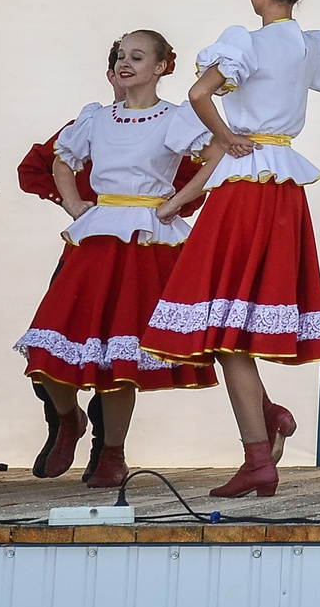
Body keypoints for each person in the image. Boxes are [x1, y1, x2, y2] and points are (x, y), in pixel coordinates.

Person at [139, 0, 320, 499]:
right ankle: (264, 429)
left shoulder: (245, 42)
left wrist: (224, 138)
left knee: (225, 326)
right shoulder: (307, 45)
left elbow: (199, 94)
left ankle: (259, 449)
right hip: (283, 190)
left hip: (244, 187)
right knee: (238, 325)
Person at [16, 31, 219, 488]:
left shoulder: (175, 118)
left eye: (138, 56)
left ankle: (113, 452)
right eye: (122, 56)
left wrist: (174, 201)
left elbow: (217, 157)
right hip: (96, 236)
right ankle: (68, 419)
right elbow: (60, 160)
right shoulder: (96, 117)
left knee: (119, 353)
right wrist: (72, 204)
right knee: (48, 341)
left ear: (163, 66)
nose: (126, 63)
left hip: (144, 240)